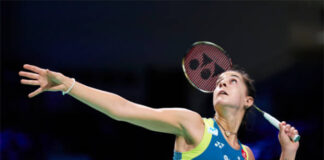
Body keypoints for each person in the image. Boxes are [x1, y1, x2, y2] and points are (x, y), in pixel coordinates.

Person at [19, 64, 299, 160]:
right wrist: (68, 84)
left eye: (232, 81)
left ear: (249, 101)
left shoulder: (246, 154)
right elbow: (123, 109)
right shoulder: (193, 125)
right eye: (218, 82)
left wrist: (288, 153)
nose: (221, 83)